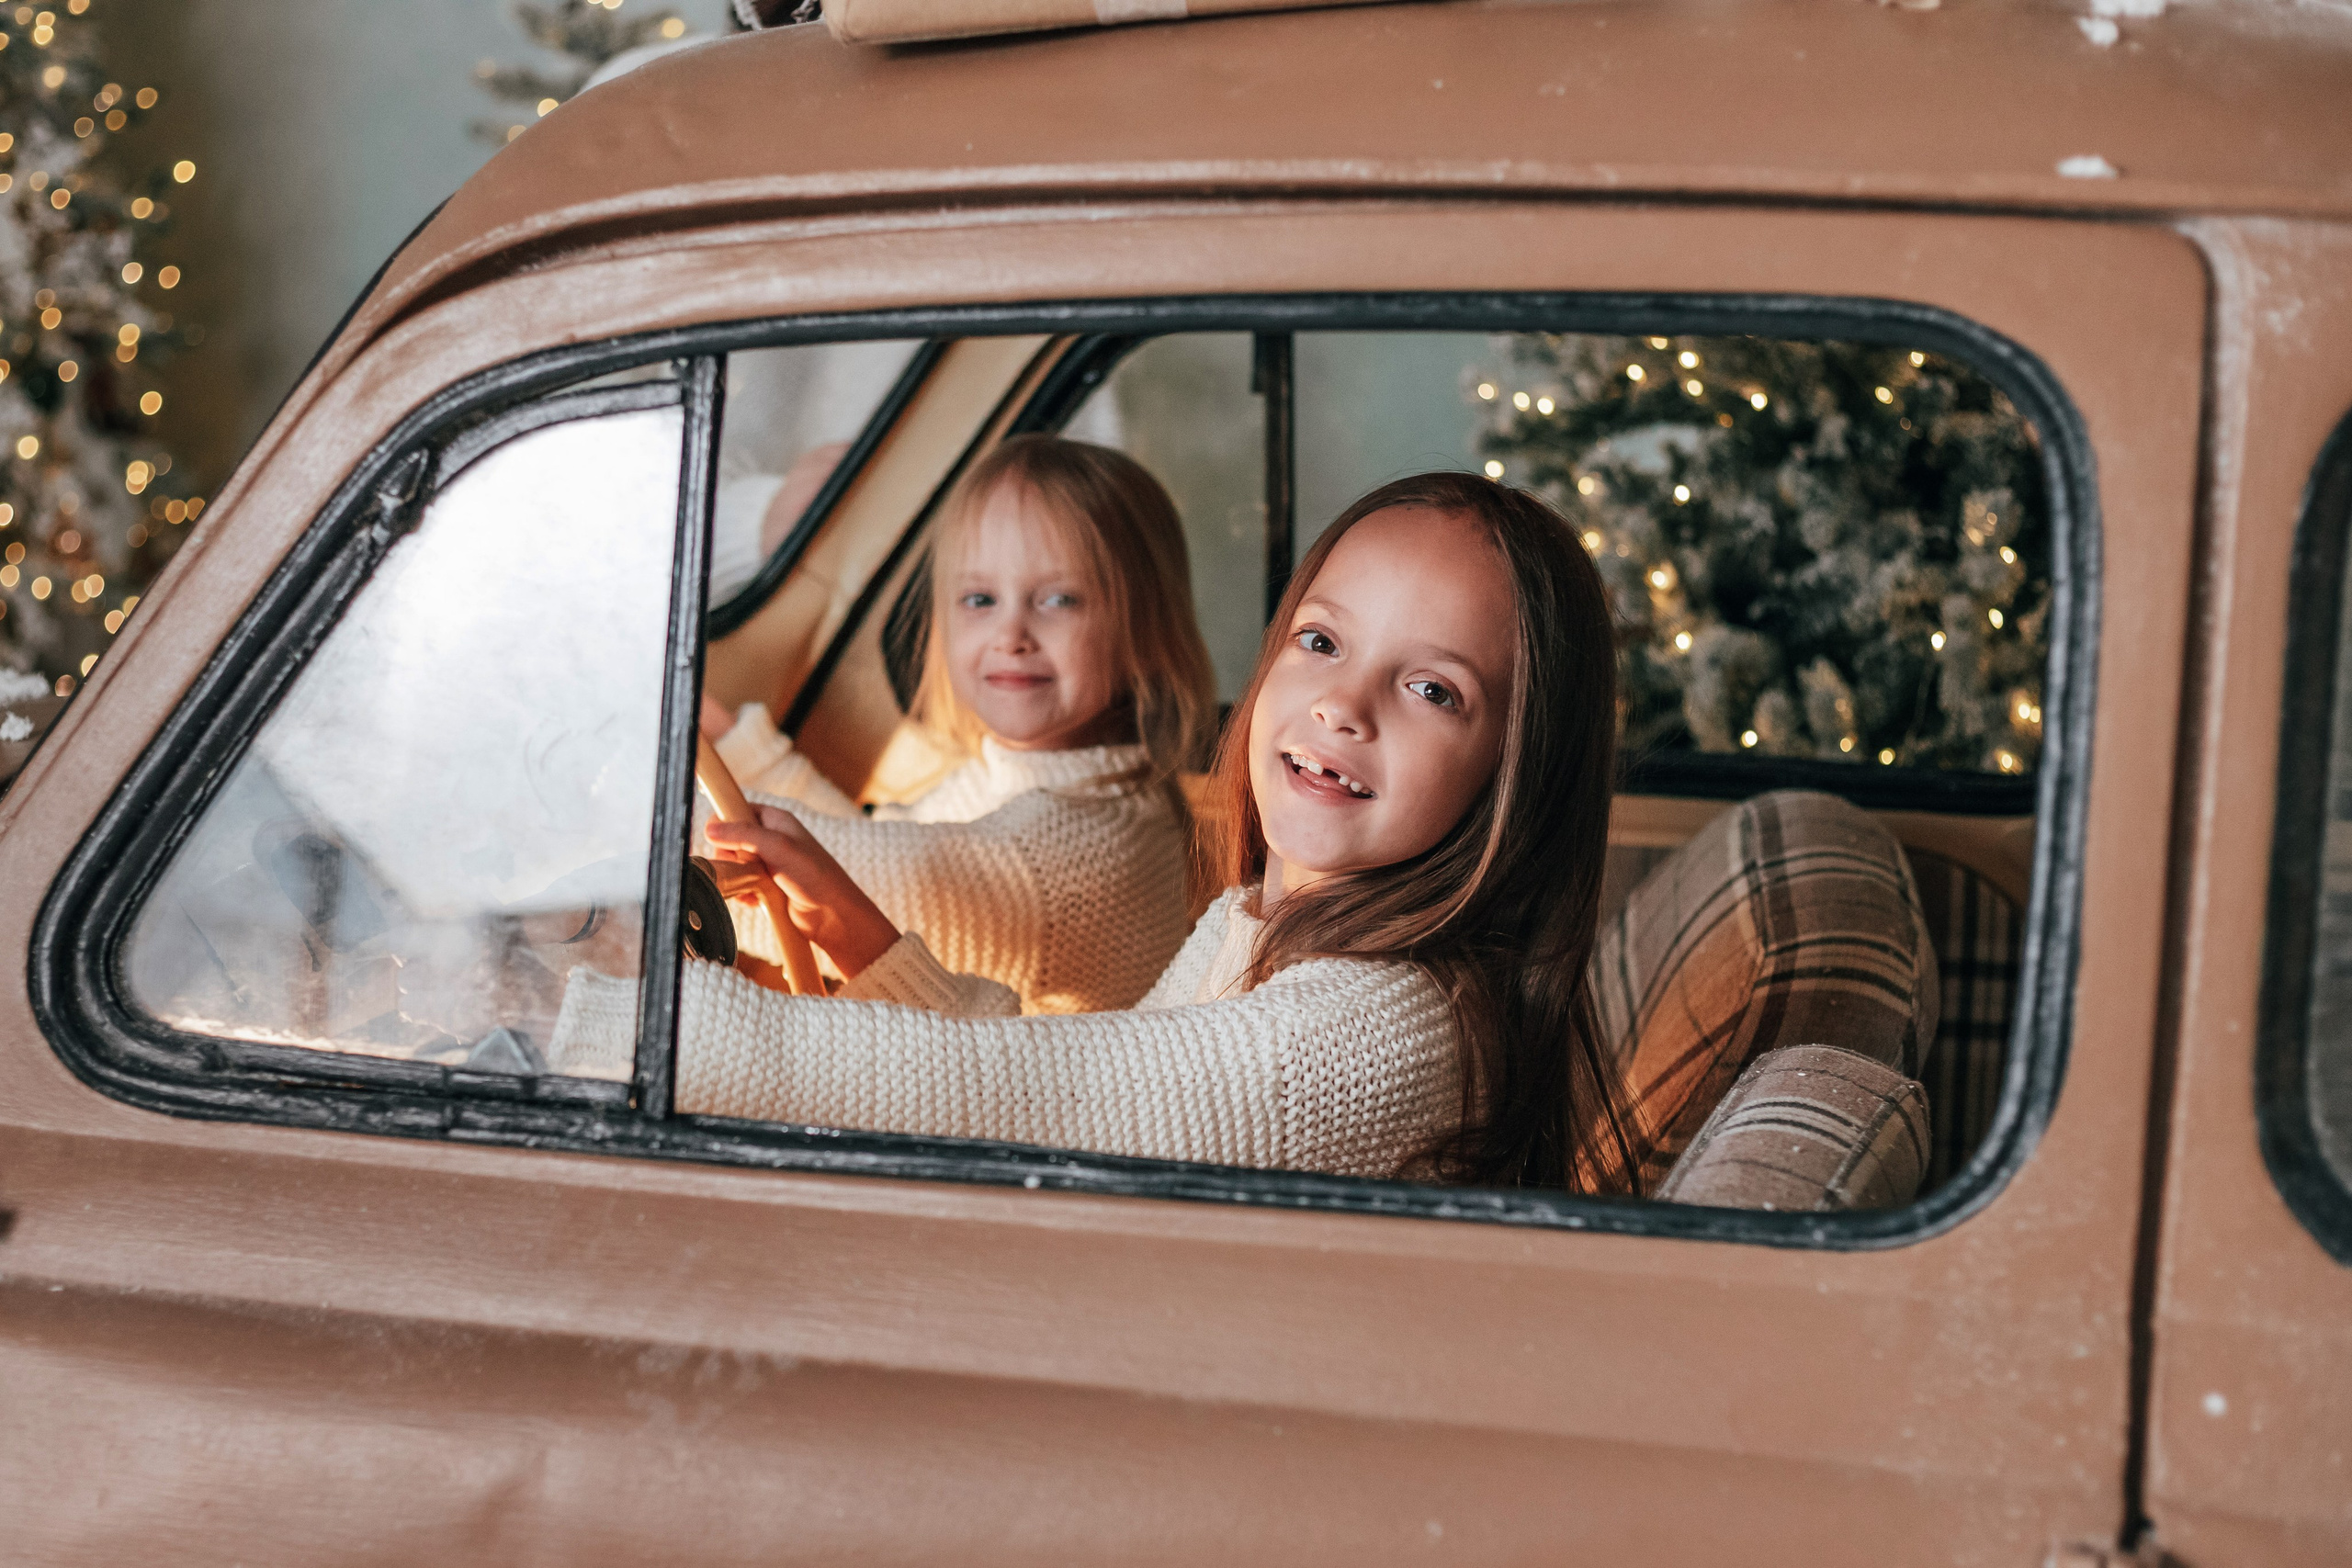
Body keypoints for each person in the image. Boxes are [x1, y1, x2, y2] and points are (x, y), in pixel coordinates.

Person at [604, 469, 1640, 1190]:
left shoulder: (1367, 1038)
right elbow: (1080, 1085)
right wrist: (866, 944)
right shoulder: (1256, 920)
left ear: (1516, 773)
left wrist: (625, 1030)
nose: (1342, 704)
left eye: (1432, 689)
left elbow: (1025, 1099)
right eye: (1322, 642)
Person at [702, 434, 1218, 1014]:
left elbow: (859, 882)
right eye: (979, 600)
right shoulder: (1067, 783)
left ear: (1145, 630)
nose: (1010, 635)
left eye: (1059, 600)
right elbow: (873, 858)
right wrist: (733, 744)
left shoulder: (1064, 857)